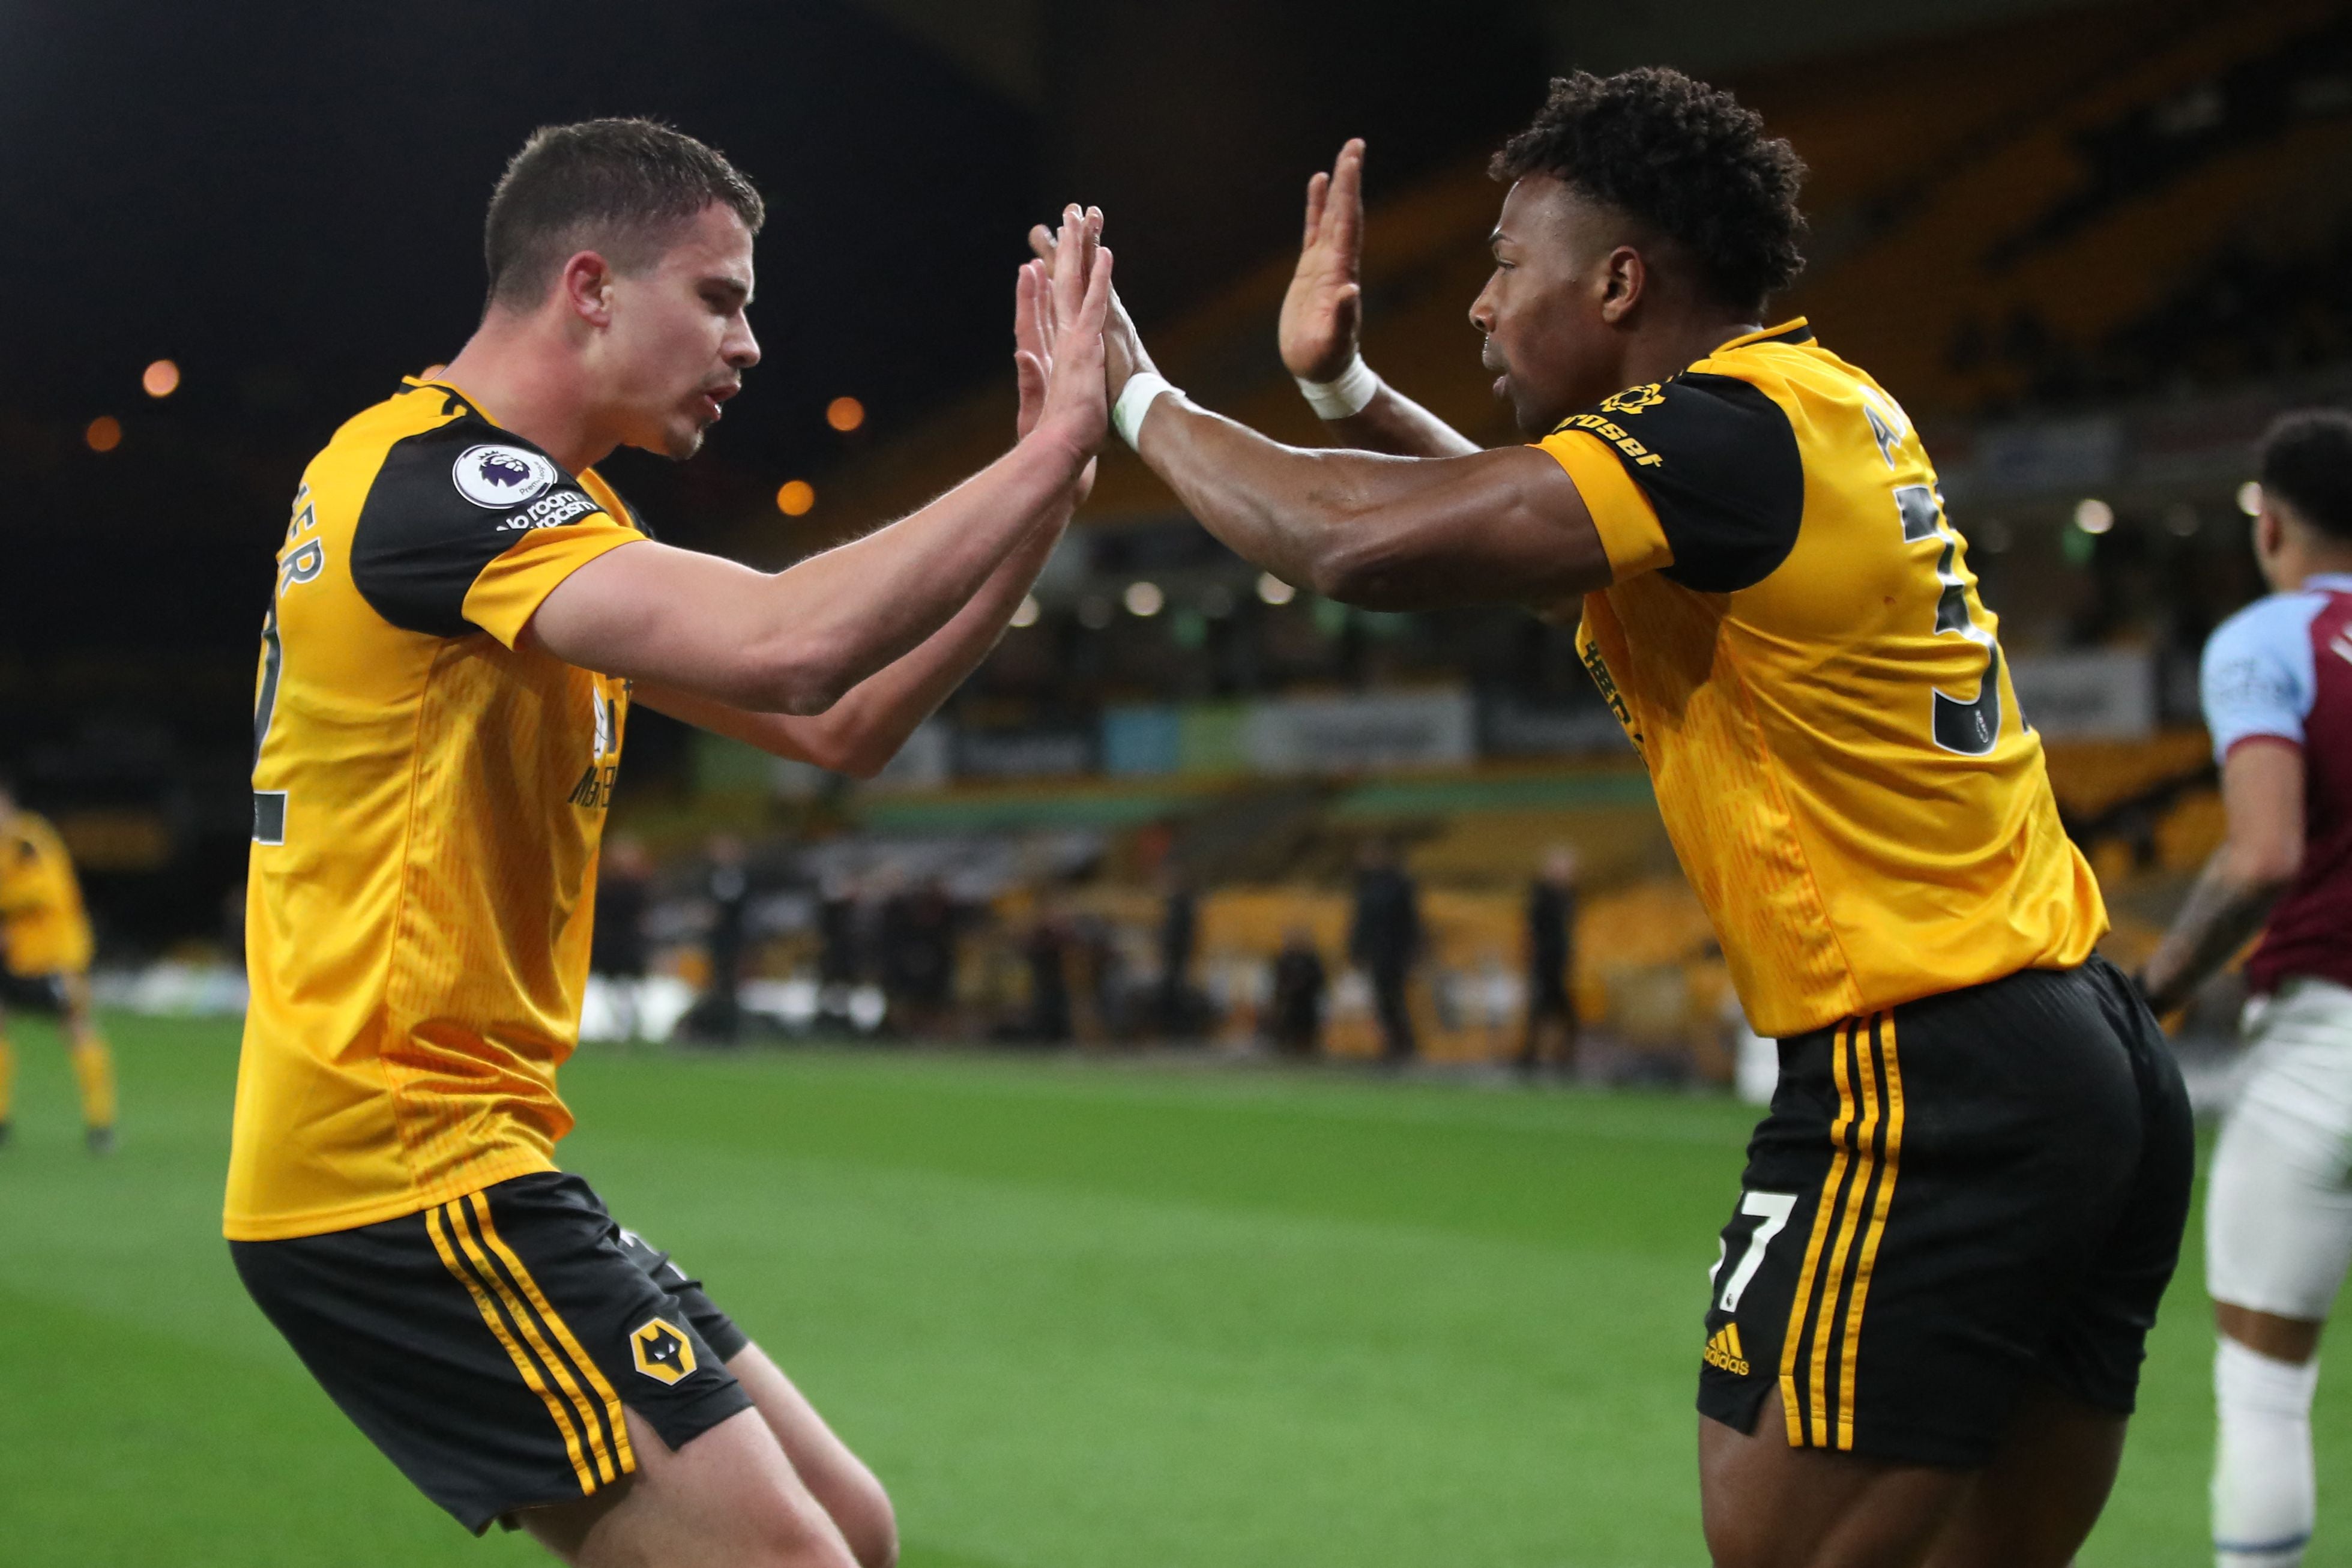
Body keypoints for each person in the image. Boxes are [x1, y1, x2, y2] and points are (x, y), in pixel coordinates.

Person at [1040, 67, 2191, 1568]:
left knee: (1775, 1542)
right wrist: (1343, 394)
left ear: (1620, 280)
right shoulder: (1816, 404)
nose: (1478, 304)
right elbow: (1537, 539)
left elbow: (1354, 546)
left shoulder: (1719, 440)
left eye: (1505, 267)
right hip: (2081, 1051)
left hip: (1928, 1067)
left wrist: (1129, 394)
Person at [227, 117, 1114, 1563]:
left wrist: (1046, 493)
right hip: (393, 1166)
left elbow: (838, 724)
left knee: (851, 1529)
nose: (748, 342)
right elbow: (793, 643)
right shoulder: (443, 489)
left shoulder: (527, 521)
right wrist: (1060, 440)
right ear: (588, 286)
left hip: (470, 1149)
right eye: (720, 297)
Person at [2139, 410, 2352, 1568]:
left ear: (2267, 523)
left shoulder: (2267, 639)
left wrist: (2156, 986)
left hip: (2325, 1043)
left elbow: (2263, 855)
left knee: (2266, 1387)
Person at [0, 776, 118, 1153]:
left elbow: (44, 894)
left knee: (78, 1026)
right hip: (16, 961)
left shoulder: (30, 841)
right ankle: (2, 1120)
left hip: (57, 958)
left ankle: (101, 1124)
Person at [1348, 839, 1422, 1064]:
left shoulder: (1399, 884)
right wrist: (1357, 948)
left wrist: (1413, 951)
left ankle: (1404, 1045)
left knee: (1394, 999)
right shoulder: (1366, 884)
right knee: (1382, 1001)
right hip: (1376, 952)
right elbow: (1360, 922)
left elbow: (1410, 921)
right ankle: (1392, 1044)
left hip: (1394, 952)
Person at [1519, 843, 1581, 1075]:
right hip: (1545, 962)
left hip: (1558, 962)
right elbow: (1534, 931)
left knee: (1551, 1012)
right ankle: (1536, 1057)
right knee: (1547, 1011)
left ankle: (1540, 1057)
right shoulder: (1543, 896)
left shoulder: (1567, 896)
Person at [588, 835, 653, 1042]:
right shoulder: (606, 884)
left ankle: (628, 1029)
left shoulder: (638, 886)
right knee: (610, 989)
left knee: (628, 988)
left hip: (627, 943)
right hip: (610, 943)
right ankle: (616, 1029)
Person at [1267, 925, 1327, 1057]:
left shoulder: (1312, 960)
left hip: (1307, 1006)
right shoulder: (1283, 960)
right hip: (1289, 1006)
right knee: (1286, 1041)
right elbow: (1277, 983)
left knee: (1307, 1041)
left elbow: (1320, 982)